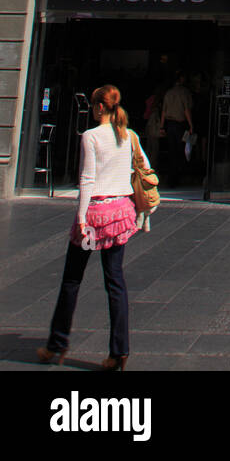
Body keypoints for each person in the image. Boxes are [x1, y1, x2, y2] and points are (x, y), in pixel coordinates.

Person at [37, 84, 151, 372]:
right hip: (120, 213)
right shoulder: (129, 136)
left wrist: (81, 217)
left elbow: (87, 179)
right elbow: (142, 169)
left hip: (96, 215)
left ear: (100, 107)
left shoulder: (90, 136)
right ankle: (120, 351)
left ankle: (57, 344)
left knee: (72, 280)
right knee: (116, 282)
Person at [159, 70, 193, 189]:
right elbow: (186, 110)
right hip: (179, 124)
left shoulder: (168, 93)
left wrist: (162, 126)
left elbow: (164, 110)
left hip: (169, 124)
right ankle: (175, 178)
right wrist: (191, 125)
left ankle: (170, 178)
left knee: (171, 150)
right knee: (179, 151)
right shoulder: (184, 92)